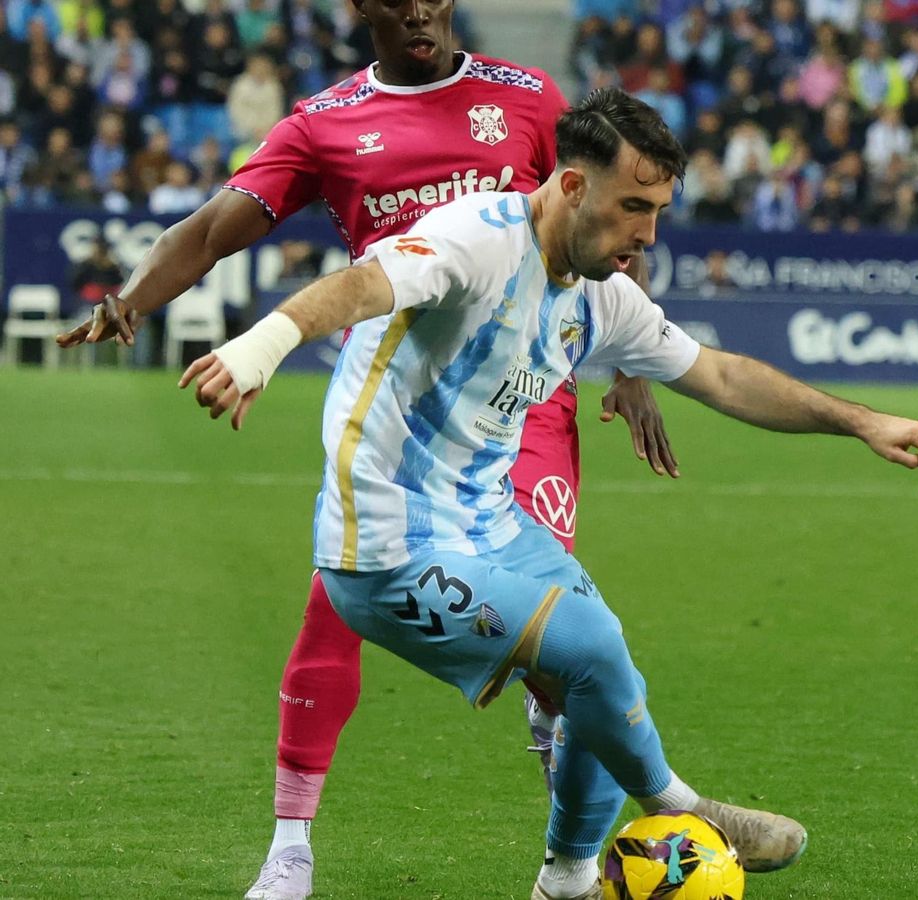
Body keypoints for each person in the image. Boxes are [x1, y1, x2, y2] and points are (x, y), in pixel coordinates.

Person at [175, 87, 918, 900]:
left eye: (658, 212)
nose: (648, 235)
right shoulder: (476, 240)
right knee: (588, 646)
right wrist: (262, 348)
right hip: (385, 545)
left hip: (489, 523)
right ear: (573, 187)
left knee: (603, 672)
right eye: (634, 208)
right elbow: (361, 287)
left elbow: (721, 376)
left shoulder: (599, 294)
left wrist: (861, 421)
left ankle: (569, 880)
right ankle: (682, 807)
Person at [54, 3, 675, 898]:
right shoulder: (325, 122)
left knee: (561, 637)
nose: (418, 9)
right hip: (393, 411)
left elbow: (615, 216)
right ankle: (290, 849)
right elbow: (211, 228)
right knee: (331, 604)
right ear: (360, 6)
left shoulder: (530, 99)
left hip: (520, 404)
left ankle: (573, 856)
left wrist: (630, 368)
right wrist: (132, 300)